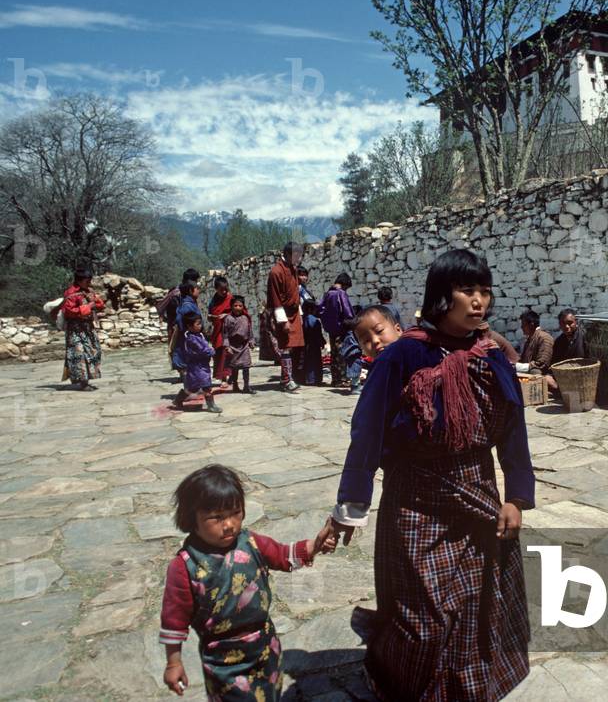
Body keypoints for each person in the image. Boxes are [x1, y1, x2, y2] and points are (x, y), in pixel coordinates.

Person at [330, 249, 534, 701]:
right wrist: (350, 505)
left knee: (473, 606)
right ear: (442, 297)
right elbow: (367, 431)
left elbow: (513, 432)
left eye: (484, 290)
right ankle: (395, 677)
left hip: (478, 497)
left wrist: (515, 498)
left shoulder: (493, 356)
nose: (479, 301)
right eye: (467, 290)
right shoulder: (403, 356)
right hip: (416, 501)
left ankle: (463, 686)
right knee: (422, 618)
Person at [160, 464, 336, 700]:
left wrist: (315, 545)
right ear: (192, 519)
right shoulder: (185, 566)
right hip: (223, 662)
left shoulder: (252, 543)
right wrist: (174, 663)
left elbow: (283, 555)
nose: (229, 524)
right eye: (217, 517)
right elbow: (174, 620)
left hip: (265, 649)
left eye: (235, 513)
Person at [266, 242, 305, 392]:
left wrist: (299, 314)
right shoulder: (276, 272)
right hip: (283, 313)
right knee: (286, 347)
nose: (298, 259)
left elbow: (294, 293)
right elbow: (275, 298)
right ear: (287, 254)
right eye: (296, 256)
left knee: (293, 347)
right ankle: (286, 380)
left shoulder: (292, 269)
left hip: (294, 313)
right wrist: (283, 320)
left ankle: (288, 378)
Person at [61, 266, 105, 390]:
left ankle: (88, 379)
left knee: (92, 352)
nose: (89, 283)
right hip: (75, 329)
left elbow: (100, 304)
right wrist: (87, 307)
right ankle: (83, 383)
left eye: (90, 280)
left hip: (88, 328)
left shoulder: (89, 291)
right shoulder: (70, 293)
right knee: (79, 354)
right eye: (87, 280)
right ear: (79, 280)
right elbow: (69, 311)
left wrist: (95, 302)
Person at [171, 312, 222, 414]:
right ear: (189, 326)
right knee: (203, 386)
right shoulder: (191, 339)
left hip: (201, 366)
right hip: (196, 368)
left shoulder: (198, 335)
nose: (200, 326)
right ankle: (211, 405)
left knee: (194, 387)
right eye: (197, 324)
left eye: (200, 323)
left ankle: (178, 399)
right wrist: (212, 351)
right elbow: (203, 350)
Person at [318, 273, 356, 387]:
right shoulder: (341, 294)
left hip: (331, 329)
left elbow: (320, 309)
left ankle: (335, 379)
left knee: (334, 354)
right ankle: (343, 379)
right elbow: (347, 312)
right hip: (341, 328)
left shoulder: (328, 294)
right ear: (345, 284)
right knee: (342, 354)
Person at [546, 308, 587, 392]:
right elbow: (554, 363)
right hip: (565, 378)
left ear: (576, 322)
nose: (566, 327)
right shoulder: (559, 341)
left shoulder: (584, 337)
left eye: (570, 323)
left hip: (582, 377)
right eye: (563, 323)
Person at [157, 268, 200, 345]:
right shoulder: (178, 295)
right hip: (179, 331)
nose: (197, 283)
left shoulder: (176, 293)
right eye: (195, 281)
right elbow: (179, 316)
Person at [223, 295, 255, 393]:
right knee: (235, 368)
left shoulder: (245, 318)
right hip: (233, 346)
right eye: (235, 305)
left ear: (243, 307)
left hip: (244, 346)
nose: (237, 308)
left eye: (240, 306)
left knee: (246, 367)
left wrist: (251, 341)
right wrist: (227, 346)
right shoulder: (228, 319)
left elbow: (250, 331)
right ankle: (235, 386)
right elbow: (225, 334)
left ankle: (246, 386)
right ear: (231, 306)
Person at [171, 281, 203, 379]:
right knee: (188, 365)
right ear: (190, 290)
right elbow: (182, 322)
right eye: (197, 289)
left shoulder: (186, 303)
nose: (199, 291)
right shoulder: (187, 306)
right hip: (189, 339)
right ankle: (189, 390)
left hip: (188, 337)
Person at [207, 276, 233, 388]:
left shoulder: (231, 298)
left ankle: (230, 376)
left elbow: (240, 311)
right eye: (221, 289)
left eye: (225, 288)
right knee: (220, 354)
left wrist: (227, 315)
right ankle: (223, 377)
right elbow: (210, 313)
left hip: (230, 331)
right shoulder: (213, 301)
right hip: (218, 331)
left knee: (228, 354)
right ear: (216, 289)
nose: (224, 291)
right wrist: (210, 317)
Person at [514, 309, 554, 375]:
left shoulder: (544, 338)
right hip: (529, 373)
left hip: (543, 375)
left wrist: (519, 366)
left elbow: (542, 363)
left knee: (535, 371)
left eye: (523, 325)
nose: (521, 327)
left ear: (531, 325)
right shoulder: (529, 339)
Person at [301, 299, 326, 386]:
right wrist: (322, 342)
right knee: (315, 362)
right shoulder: (315, 320)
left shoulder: (302, 319)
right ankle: (315, 379)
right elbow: (318, 334)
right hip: (314, 345)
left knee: (307, 362)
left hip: (305, 344)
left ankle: (308, 379)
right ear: (310, 309)